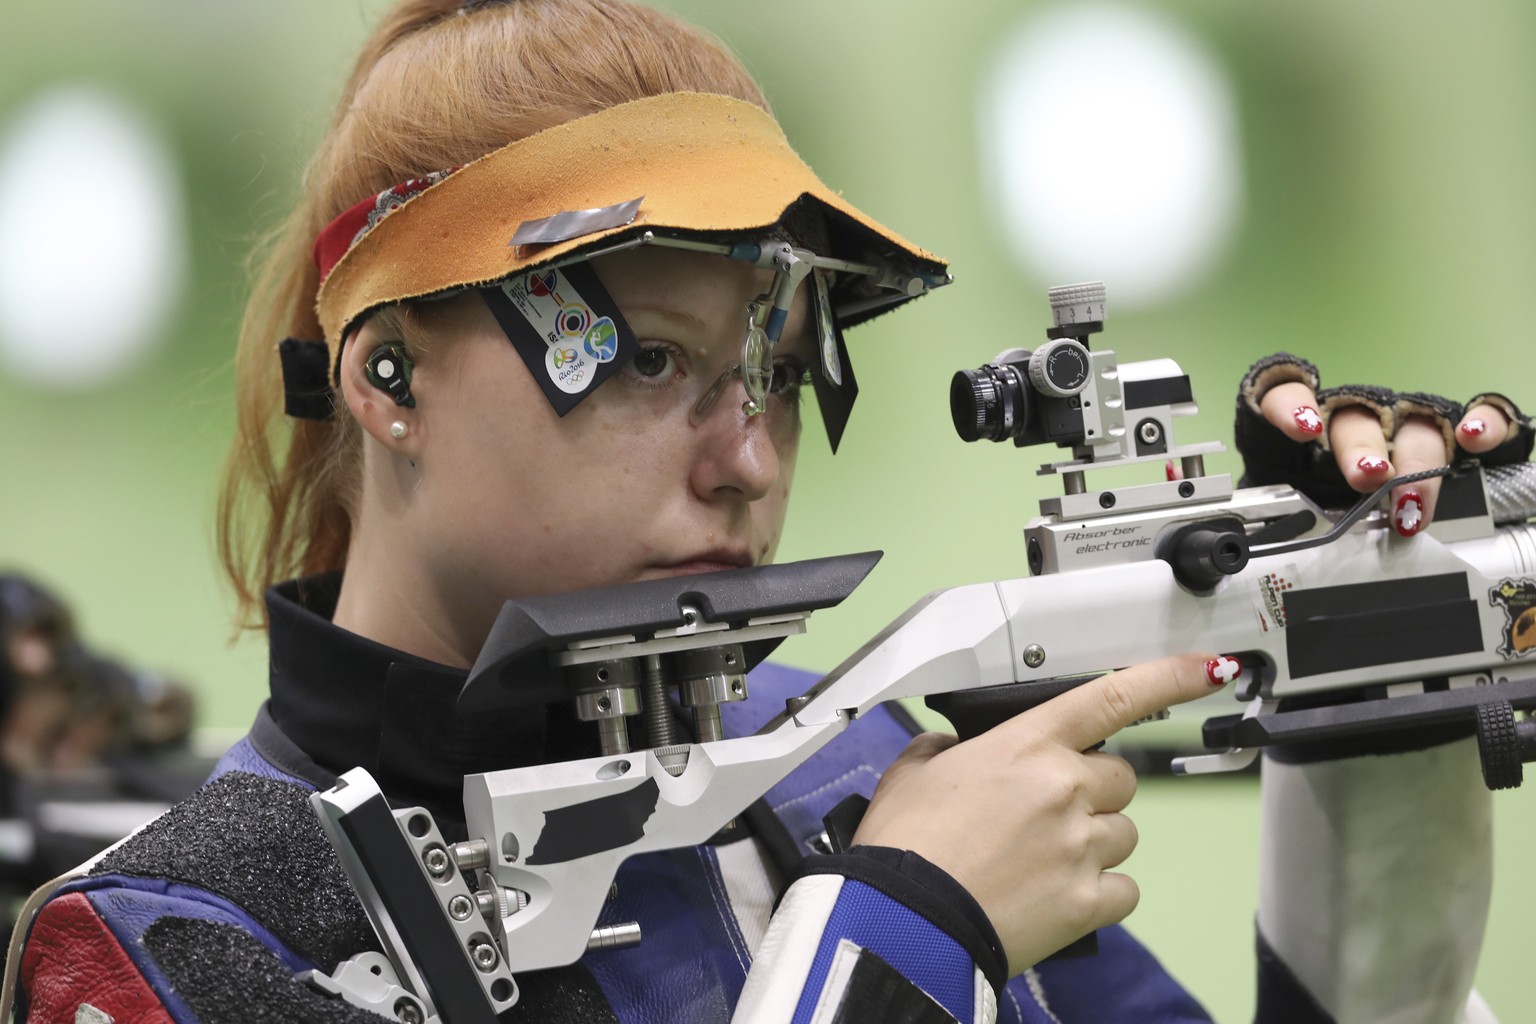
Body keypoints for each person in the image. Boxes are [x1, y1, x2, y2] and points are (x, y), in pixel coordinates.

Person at [6, 1, 1532, 1021]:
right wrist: (897, 935)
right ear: (389, 375)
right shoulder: (162, 941)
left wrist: (1377, 703)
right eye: (652, 358)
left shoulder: (852, 771)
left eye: (783, 370)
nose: (747, 456)